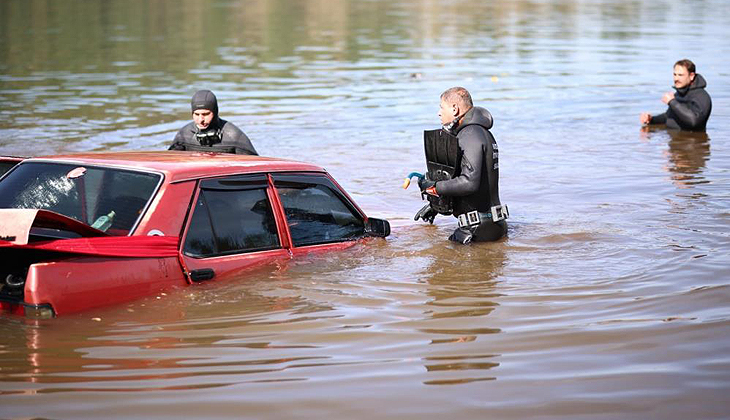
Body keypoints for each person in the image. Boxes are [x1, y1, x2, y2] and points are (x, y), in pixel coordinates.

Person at [416, 87, 508, 244]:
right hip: (490, 225)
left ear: (454, 108)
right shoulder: (480, 133)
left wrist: (433, 187)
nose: (439, 113)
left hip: (477, 230)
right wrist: (436, 206)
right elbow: (477, 186)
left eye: (441, 107)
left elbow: (469, 183)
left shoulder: (469, 135)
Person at [169, 90, 258, 155]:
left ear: (215, 113)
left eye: (206, 114)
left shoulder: (234, 136)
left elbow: (255, 166)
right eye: (196, 114)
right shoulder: (184, 135)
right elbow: (170, 163)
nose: (201, 120)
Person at [640, 59, 712, 131]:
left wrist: (672, 102)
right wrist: (652, 119)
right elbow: (669, 116)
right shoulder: (679, 94)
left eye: (680, 75)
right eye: (675, 74)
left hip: (693, 141)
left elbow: (694, 121)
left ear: (691, 76)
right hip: (673, 138)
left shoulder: (701, 96)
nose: (676, 78)